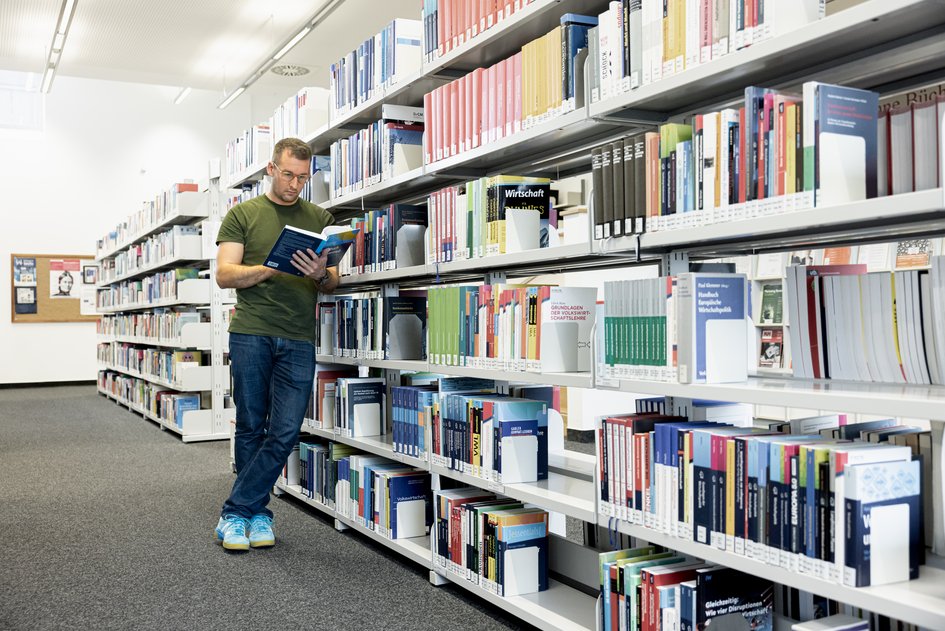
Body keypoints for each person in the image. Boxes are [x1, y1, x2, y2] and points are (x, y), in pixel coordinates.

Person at [214, 137, 339, 551]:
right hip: (252, 331)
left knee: (285, 430)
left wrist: (319, 273)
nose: (294, 185)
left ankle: (235, 511)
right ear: (271, 169)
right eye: (288, 175)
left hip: (299, 335)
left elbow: (332, 282)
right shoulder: (243, 214)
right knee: (252, 424)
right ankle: (255, 515)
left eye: (302, 178)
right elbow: (225, 274)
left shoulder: (320, 218)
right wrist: (273, 266)